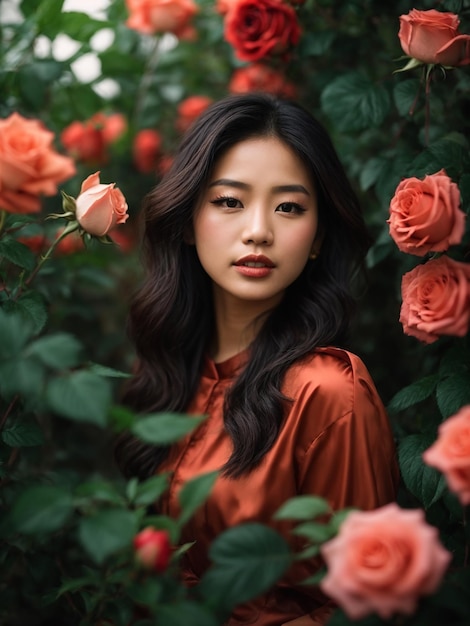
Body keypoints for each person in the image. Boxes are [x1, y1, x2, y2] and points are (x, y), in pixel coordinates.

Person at [115, 93, 399, 625]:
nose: (258, 231)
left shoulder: (330, 395)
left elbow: (363, 608)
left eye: (289, 207)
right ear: (187, 219)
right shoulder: (168, 372)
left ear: (317, 238)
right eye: (229, 201)